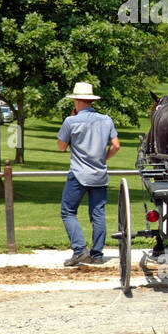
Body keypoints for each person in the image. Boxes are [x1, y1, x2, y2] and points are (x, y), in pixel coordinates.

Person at [56, 82, 120, 266]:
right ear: (91, 101)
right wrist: (103, 159)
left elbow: (61, 147)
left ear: (77, 101)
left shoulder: (71, 121)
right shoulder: (106, 119)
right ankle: (97, 254)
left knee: (68, 211)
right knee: (98, 214)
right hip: (99, 174)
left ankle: (79, 250)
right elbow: (116, 145)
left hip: (78, 173)